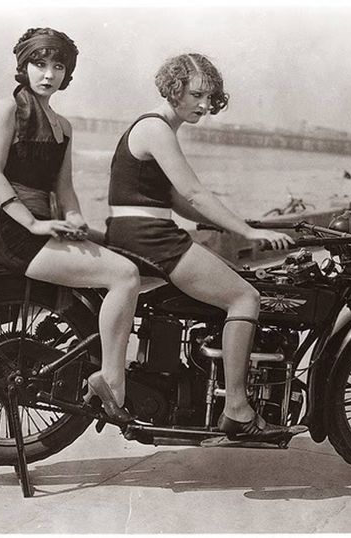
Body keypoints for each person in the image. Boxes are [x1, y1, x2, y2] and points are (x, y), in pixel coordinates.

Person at [104, 53, 295, 439]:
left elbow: (169, 196)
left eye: (211, 98)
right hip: (150, 237)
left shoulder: (154, 128)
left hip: (135, 230)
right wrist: (247, 232)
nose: (205, 106)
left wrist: (216, 221)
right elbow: (192, 190)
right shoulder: (157, 128)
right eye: (197, 95)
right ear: (174, 88)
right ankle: (238, 408)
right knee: (245, 297)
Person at [0, 27, 140, 422]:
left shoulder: (63, 126)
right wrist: (33, 223)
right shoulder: (8, 109)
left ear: (67, 73)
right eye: (39, 63)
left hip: (45, 225)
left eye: (57, 66)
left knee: (133, 256)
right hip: (15, 230)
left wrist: (74, 219)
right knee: (125, 276)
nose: (48, 74)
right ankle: (112, 380)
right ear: (24, 66)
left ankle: (99, 358)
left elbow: (63, 187)